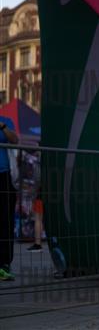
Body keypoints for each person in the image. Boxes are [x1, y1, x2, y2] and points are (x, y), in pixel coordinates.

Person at [0, 116, 19, 281]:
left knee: (6, 221)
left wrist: (2, 126)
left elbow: (15, 140)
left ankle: (4, 263)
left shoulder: (5, 121)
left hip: (4, 176)